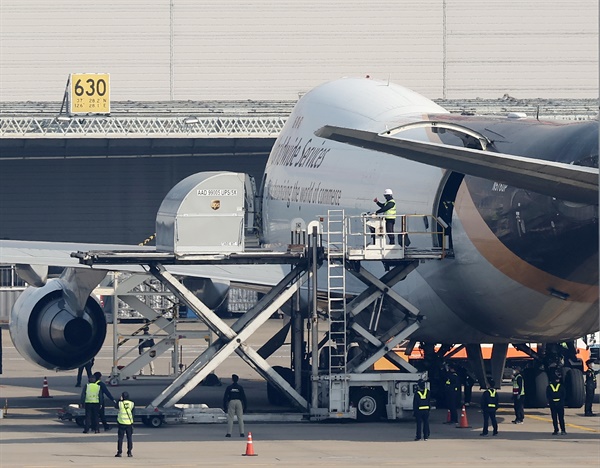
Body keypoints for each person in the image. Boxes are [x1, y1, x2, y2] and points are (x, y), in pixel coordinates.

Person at [115, 391, 134, 458]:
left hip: (121, 423)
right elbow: (133, 413)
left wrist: (120, 399)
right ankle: (129, 452)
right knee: (129, 438)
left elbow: (115, 406)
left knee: (120, 438)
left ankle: (119, 452)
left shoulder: (120, 403)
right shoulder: (131, 403)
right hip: (129, 423)